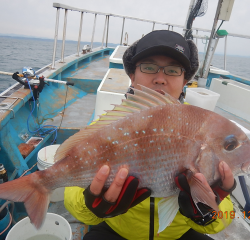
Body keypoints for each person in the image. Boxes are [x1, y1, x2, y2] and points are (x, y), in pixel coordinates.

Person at [64, 30, 235, 240]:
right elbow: (69, 189)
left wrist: (206, 213)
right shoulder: (108, 128)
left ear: (184, 80)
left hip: (178, 233)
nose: (160, 78)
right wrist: (91, 204)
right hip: (116, 231)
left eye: (173, 70)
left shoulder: (205, 130)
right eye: (149, 67)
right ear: (132, 75)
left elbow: (226, 214)